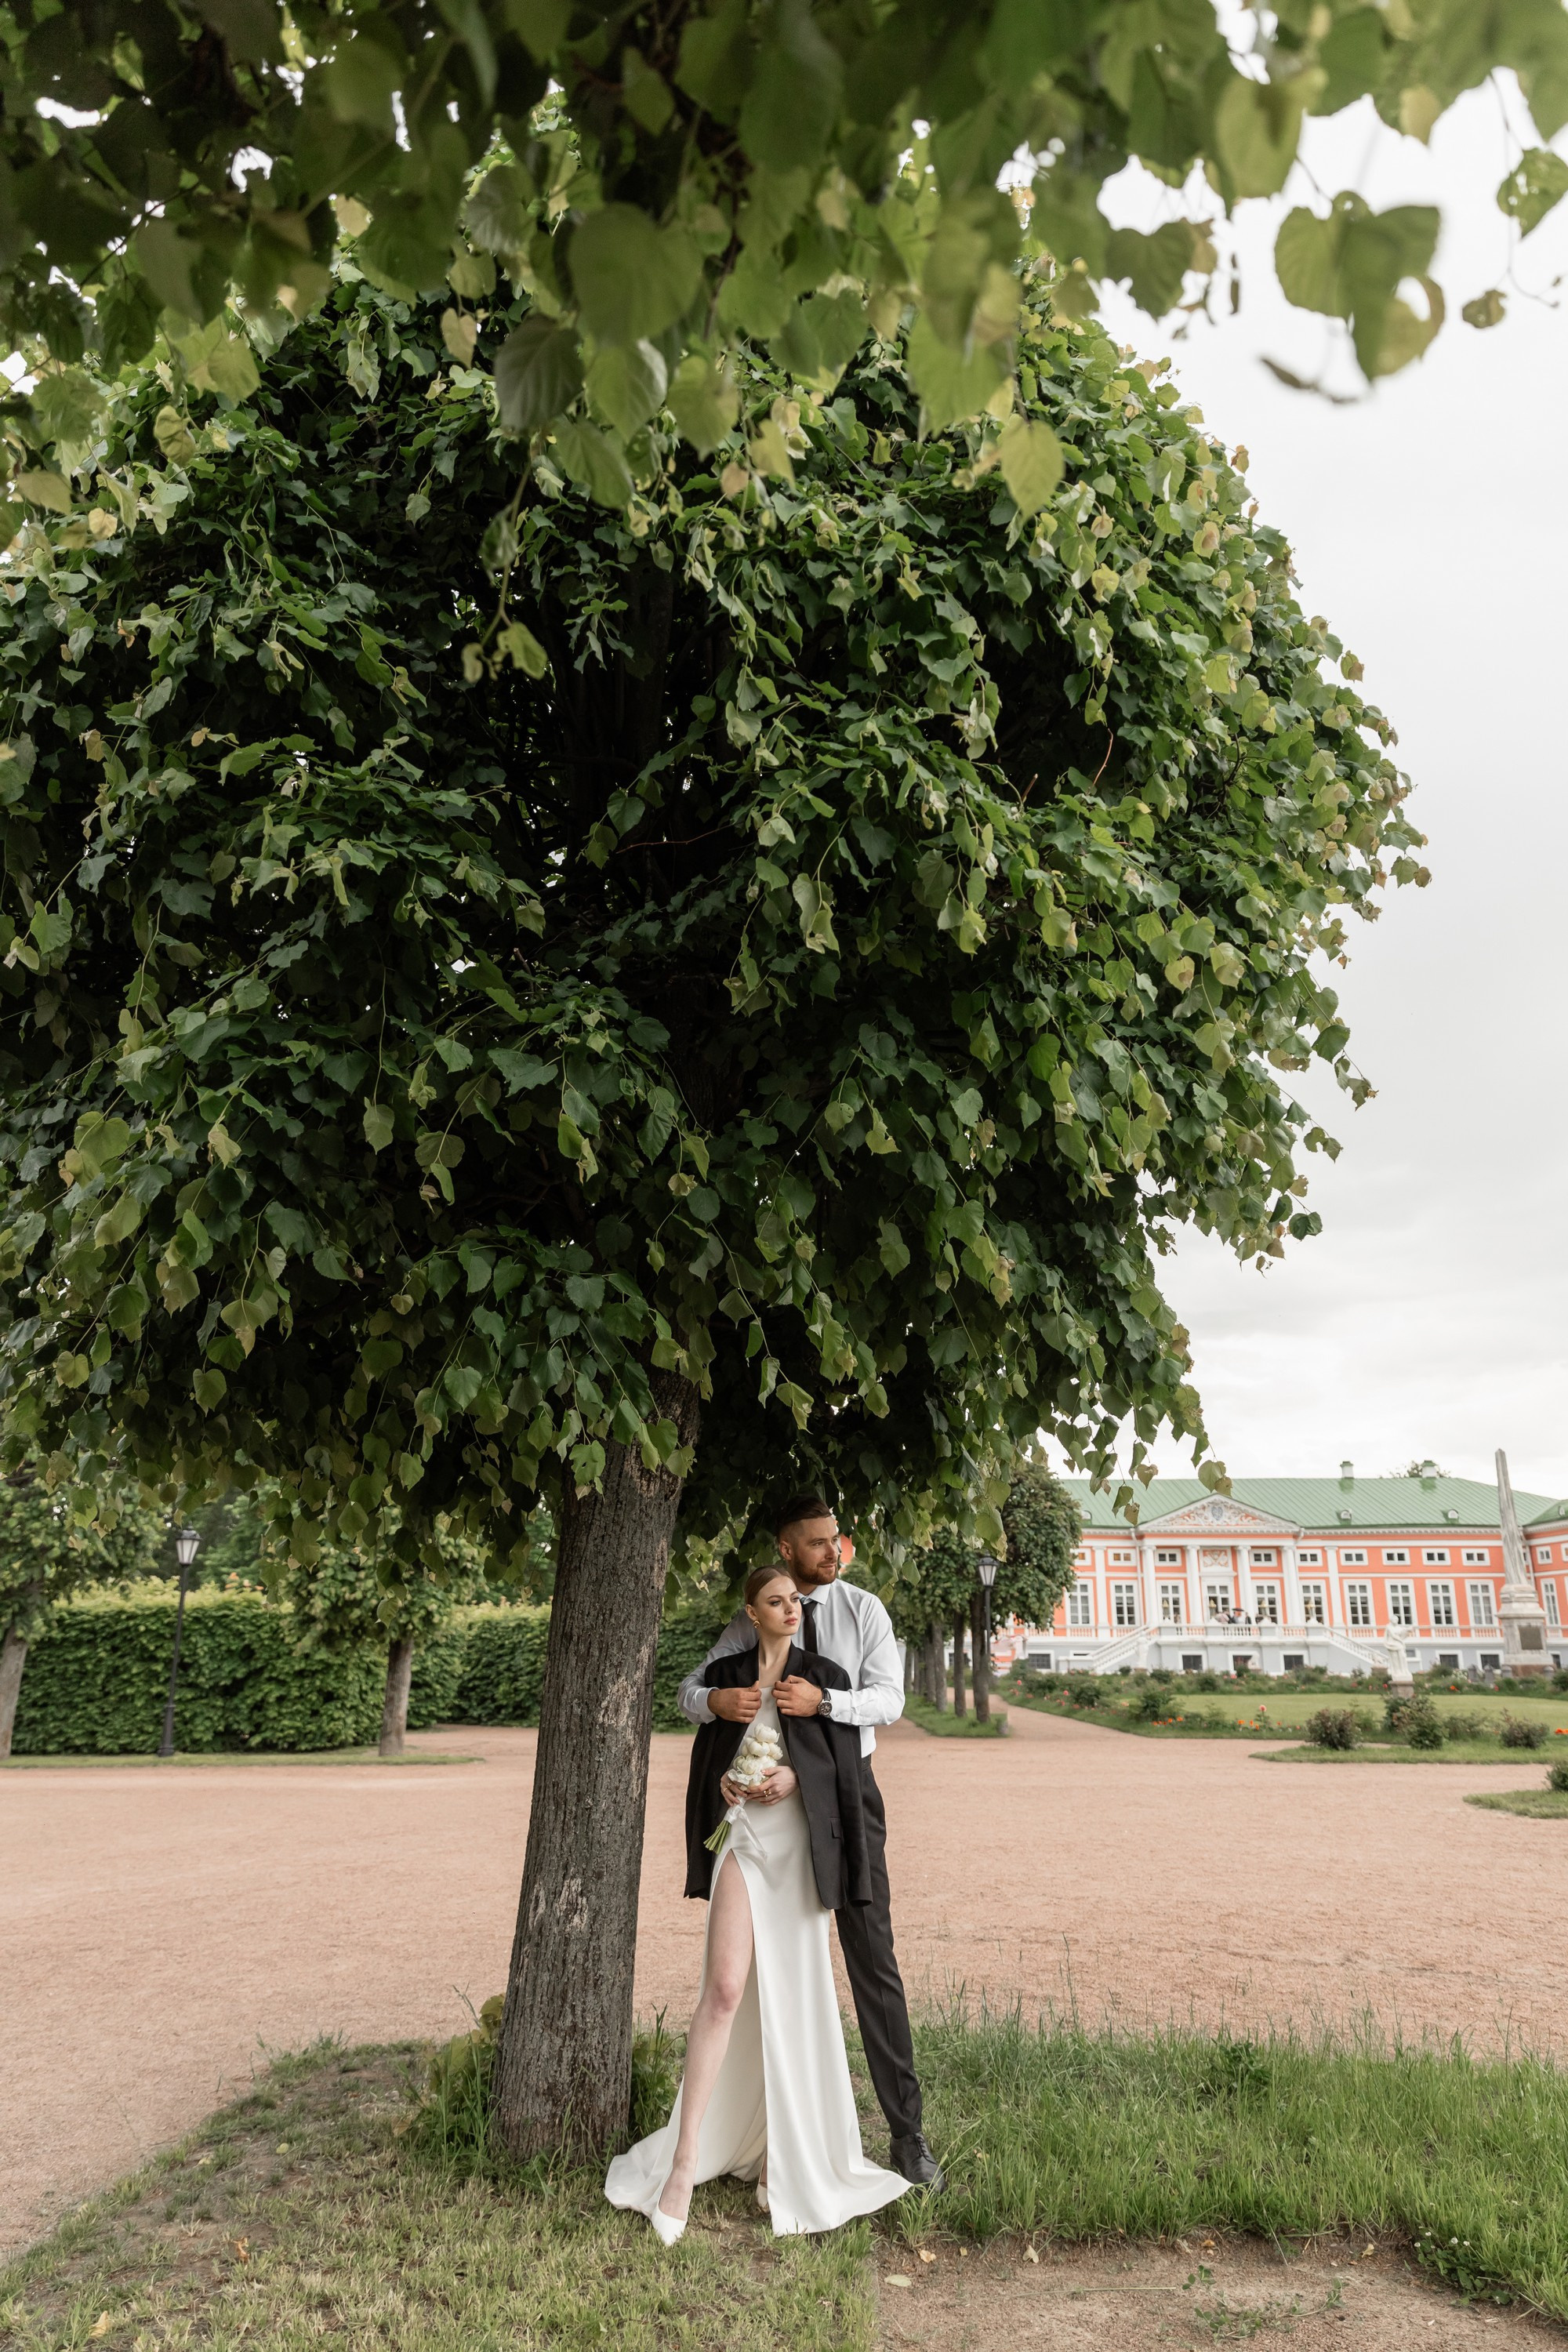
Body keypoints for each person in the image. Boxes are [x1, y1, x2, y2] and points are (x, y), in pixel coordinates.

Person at [605, 1565, 912, 2241]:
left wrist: (797, 1775)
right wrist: (726, 1775)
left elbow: (844, 1766)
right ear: (752, 1612)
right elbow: (704, 1748)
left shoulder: (823, 1677)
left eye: (795, 1600)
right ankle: (683, 2163)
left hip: (800, 1850)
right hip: (742, 1842)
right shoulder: (729, 1679)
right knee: (723, 1990)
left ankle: (785, 2157)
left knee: (791, 1997)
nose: (792, 1609)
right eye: (776, 1601)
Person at [675, 1493, 942, 2190]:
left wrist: (823, 1704)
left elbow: (888, 1699)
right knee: (773, 1973)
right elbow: (694, 1689)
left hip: (847, 1796)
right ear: (787, 1549)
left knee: (872, 1957)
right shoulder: (750, 1618)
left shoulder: (864, 1611)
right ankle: (771, 2141)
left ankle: (908, 2137)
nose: (833, 1552)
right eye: (818, 1542)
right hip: (770, 1817)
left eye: (837, 1539)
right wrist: (715, 1703)